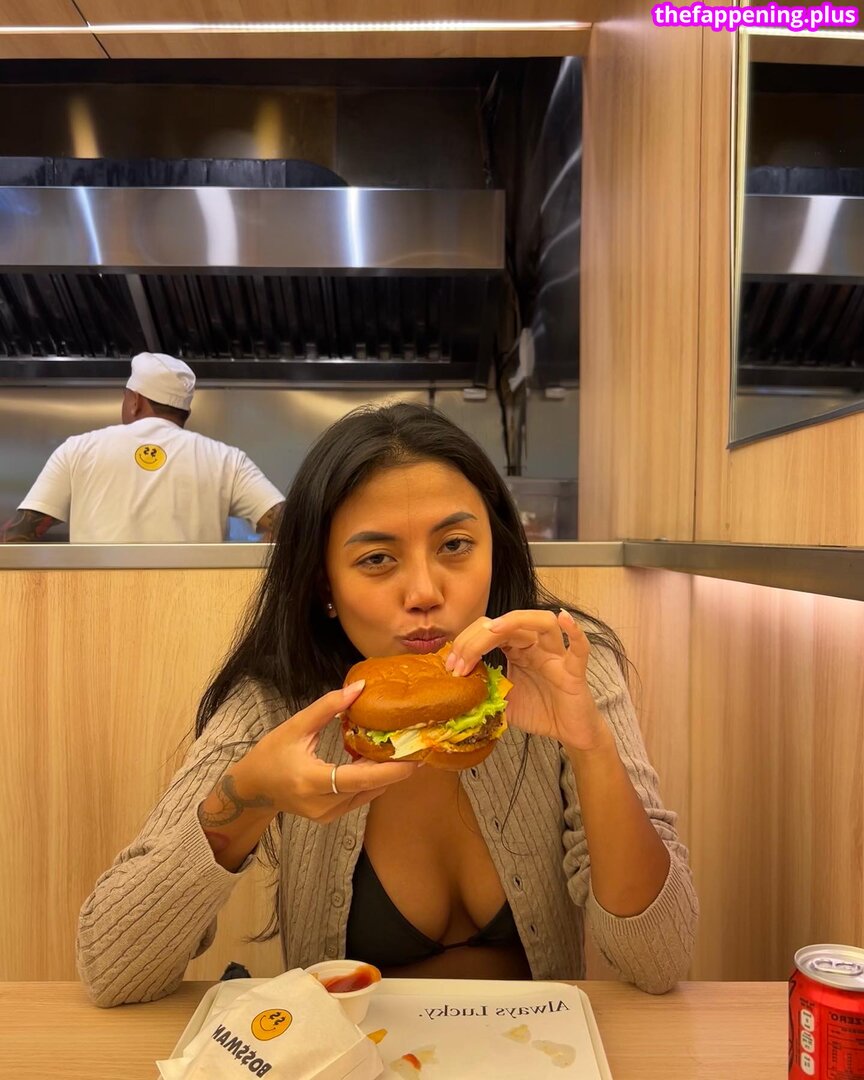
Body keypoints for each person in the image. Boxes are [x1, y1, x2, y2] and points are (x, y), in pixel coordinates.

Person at [76, 402, 698, 1008]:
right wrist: (249, 798)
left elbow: (658, 961)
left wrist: (591, 746)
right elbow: (112, 969)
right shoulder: (276, 703)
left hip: (538, 1051)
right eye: (376, 558)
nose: (424, 592)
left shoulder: (564, 667)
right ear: (324, 583)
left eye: (455, 545)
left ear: (496, 549)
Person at [0, 352, 284, 544]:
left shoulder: (78, 449)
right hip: (194, 605)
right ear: (184, 411)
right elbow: (291, 523)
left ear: (135, 401)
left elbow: (19, 534)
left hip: (95, 604)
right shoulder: (227, 460)